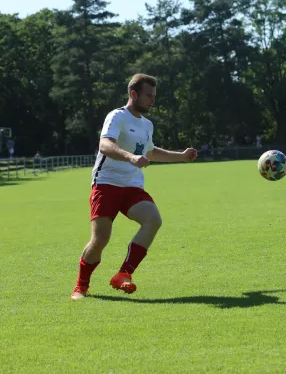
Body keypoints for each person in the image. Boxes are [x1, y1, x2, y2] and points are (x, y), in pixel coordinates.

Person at [71, 73, 198, 301]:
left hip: (132, 187)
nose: (152, 100)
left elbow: (150, 153)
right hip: (106, 184)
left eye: (154, 95)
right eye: (148, 95)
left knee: (153, 219)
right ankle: (81, 287)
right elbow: (105, 145)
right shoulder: (117, 116)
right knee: (100, 240)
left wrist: (181, 156)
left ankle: (123, 274)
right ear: (133, 94)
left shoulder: (147, 124)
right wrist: (130, 157)